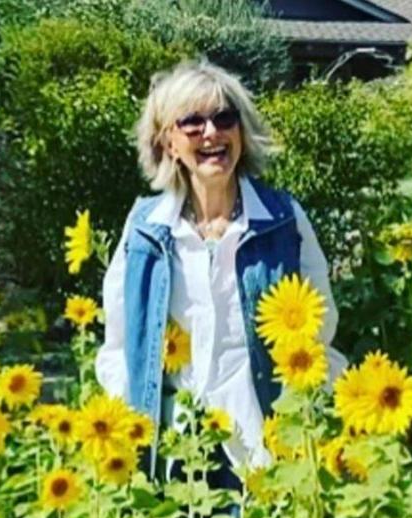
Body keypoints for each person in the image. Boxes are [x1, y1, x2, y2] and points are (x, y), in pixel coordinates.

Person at [96, 59, 346, 480]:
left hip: (261, 449)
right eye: (192, 123)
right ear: (168, 143)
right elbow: (121, 344)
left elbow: (320, 329)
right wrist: (133, 428)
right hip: (176, 453)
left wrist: (298, 427)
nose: (211, 133)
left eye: (224, 118)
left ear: (241, 134)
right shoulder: (145, 230)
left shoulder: (283, 221)